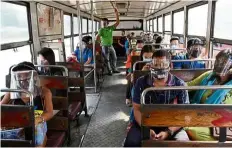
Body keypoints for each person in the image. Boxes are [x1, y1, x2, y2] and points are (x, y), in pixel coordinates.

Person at [124, 50, 190, 147]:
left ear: (170, 66)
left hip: (171, 124)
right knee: (131, 142)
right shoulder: (141, 82)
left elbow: (184, 113)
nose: (159, 68)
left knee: (183, 144)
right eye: (156, 64)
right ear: (151, 66)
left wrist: (168, 132)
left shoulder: (179, 85)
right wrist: (146, 129)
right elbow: (137, 108)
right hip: (144, 122)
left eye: (163, 65)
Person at [1, 62, 53, 147]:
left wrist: (36, 120)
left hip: (38, 126)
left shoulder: (44, 92)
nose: (23, 79)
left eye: (26, 75)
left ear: (34, 77)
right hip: (17, 127)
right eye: (19, 76)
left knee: (38, 141)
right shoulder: (12, 92)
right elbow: (1, 107)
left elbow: (49, 112)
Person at [184, 49, 232, 141]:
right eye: (218, 61)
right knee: (184, 123)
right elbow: (188, 85)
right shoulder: (209, 75)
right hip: (200, 114)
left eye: (225, 63)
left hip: (220, 121)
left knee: (189, 128)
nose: (220, 65)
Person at [96, 5, 120, 75]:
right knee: (107, 60)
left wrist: (116, 14)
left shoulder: (110, 28)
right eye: (102, 23)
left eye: (104, 23)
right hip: (105, 46)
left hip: (111, 45)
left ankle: (114, 69)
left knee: (115, 58)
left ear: (107, 23)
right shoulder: (101, 30)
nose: (103, 24)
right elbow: (97, 37)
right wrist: (98, 46)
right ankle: (110, 71)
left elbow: (117, 22)